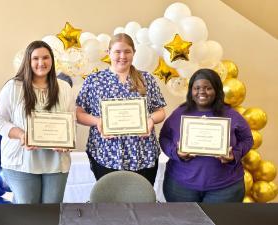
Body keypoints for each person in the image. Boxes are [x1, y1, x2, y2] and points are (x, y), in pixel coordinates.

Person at [76, 33, 166, 185]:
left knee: (142, 201)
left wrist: (151, 120)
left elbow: (160, 111)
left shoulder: (147, 79)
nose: (122, 56)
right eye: (117, 51)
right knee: (110, 202)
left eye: (127, 51)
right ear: (109, 52)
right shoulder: (94, 80)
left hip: (143, 152)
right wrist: (98, 121)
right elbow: (79, 113)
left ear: (133, 53)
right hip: (105, 153)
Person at [0, 40, 74, 203]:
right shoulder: (13, 87)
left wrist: (67, 142)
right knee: (28, 212)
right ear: (28, 61)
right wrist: (22, 135)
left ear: (52, 60)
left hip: (56, 163)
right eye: (35, 58)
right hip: (21, 161)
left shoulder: (64, 87)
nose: (41, 63)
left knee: (51, 212)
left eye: (46, 58)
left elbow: (71, 120)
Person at [159, 68, 253, 202]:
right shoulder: (179, 113)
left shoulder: (232, 115)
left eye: (208, 88)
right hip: (180, 187)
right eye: (196, 88)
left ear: (217, 90)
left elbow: (247, 139)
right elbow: (164, 137)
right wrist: (175, 153)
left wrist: (234, 155)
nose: (201, 92)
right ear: (191, 91)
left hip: (225, 189)